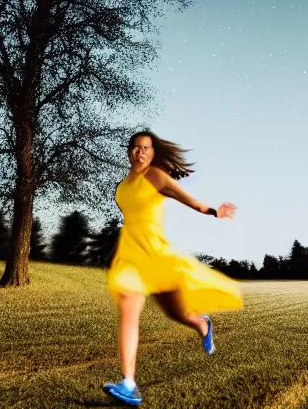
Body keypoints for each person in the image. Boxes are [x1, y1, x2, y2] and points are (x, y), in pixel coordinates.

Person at [102, 131, 243, 407]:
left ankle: (203, 324)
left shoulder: (154, 176)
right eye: (136, 147)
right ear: (129, 151)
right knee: (129, 304)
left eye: (146, 148)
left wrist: (215, 211)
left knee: (176, 313)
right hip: (130, 254)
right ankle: (129, 385)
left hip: (156, 254)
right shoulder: (121, 188)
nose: (140, 152)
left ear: (153, 153)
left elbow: (188, 199)